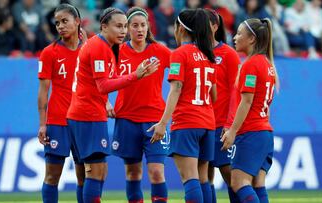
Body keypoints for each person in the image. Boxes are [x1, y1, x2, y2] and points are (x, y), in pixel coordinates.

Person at [66, 7, 159, 203]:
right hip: (87, 116)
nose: (123, 31)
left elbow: (109, 78)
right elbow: (103, 86)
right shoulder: (99, 48)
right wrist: (135, 75)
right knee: (95, 172)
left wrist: (132, 75)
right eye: (118, 26)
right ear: (104, 26)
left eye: (125, 26)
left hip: (84, 115)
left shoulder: (103, 46)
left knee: (95, 172)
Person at [148, 8, 217, 203]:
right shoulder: (209, 56)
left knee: (190, 179)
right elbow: (214, 94)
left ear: (180, 29)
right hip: (207, 123)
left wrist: (162, 123)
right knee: (203, 179)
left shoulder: (179, 54)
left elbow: (176, 88)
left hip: (187, 122)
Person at [111, 7, 171, 203]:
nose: (139, 29)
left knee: (156, 172)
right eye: (135, 25)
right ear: (127, 28)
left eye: (143, 25)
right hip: (127, 119)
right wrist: (104, 102)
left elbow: (183, 69)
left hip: (154, 120)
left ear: (148, 27)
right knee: (133, 173)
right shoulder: (118, 51)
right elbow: (97, 79)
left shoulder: (160, 51)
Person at [221, 18, 279, 203]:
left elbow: (246, 102)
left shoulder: (251, 64)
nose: (235, 37)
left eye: (239, 33)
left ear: (252, 39)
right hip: (265, 133)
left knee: (238, 182)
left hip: (251, 134)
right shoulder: (268, 64)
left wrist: (232, 131)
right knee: (257, 184)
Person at [37, 3, 86, 203]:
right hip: (58, 122)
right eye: (57, 23)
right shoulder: (50, 53)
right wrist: (42, 123)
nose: (60, 26)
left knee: (84, 177)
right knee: (52, 176)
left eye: (65, 21)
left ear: (77, 22)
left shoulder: (90, 50)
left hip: (83, 121)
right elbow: (43, 92)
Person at [205, 8, 241, 203]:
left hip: (221, 124)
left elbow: (236, 92)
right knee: (205, 174)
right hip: (202, 123)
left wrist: (230, 124)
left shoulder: (228, 54)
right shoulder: (194, 52)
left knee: (229, 173)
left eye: (204, 23)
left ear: (215, 26)